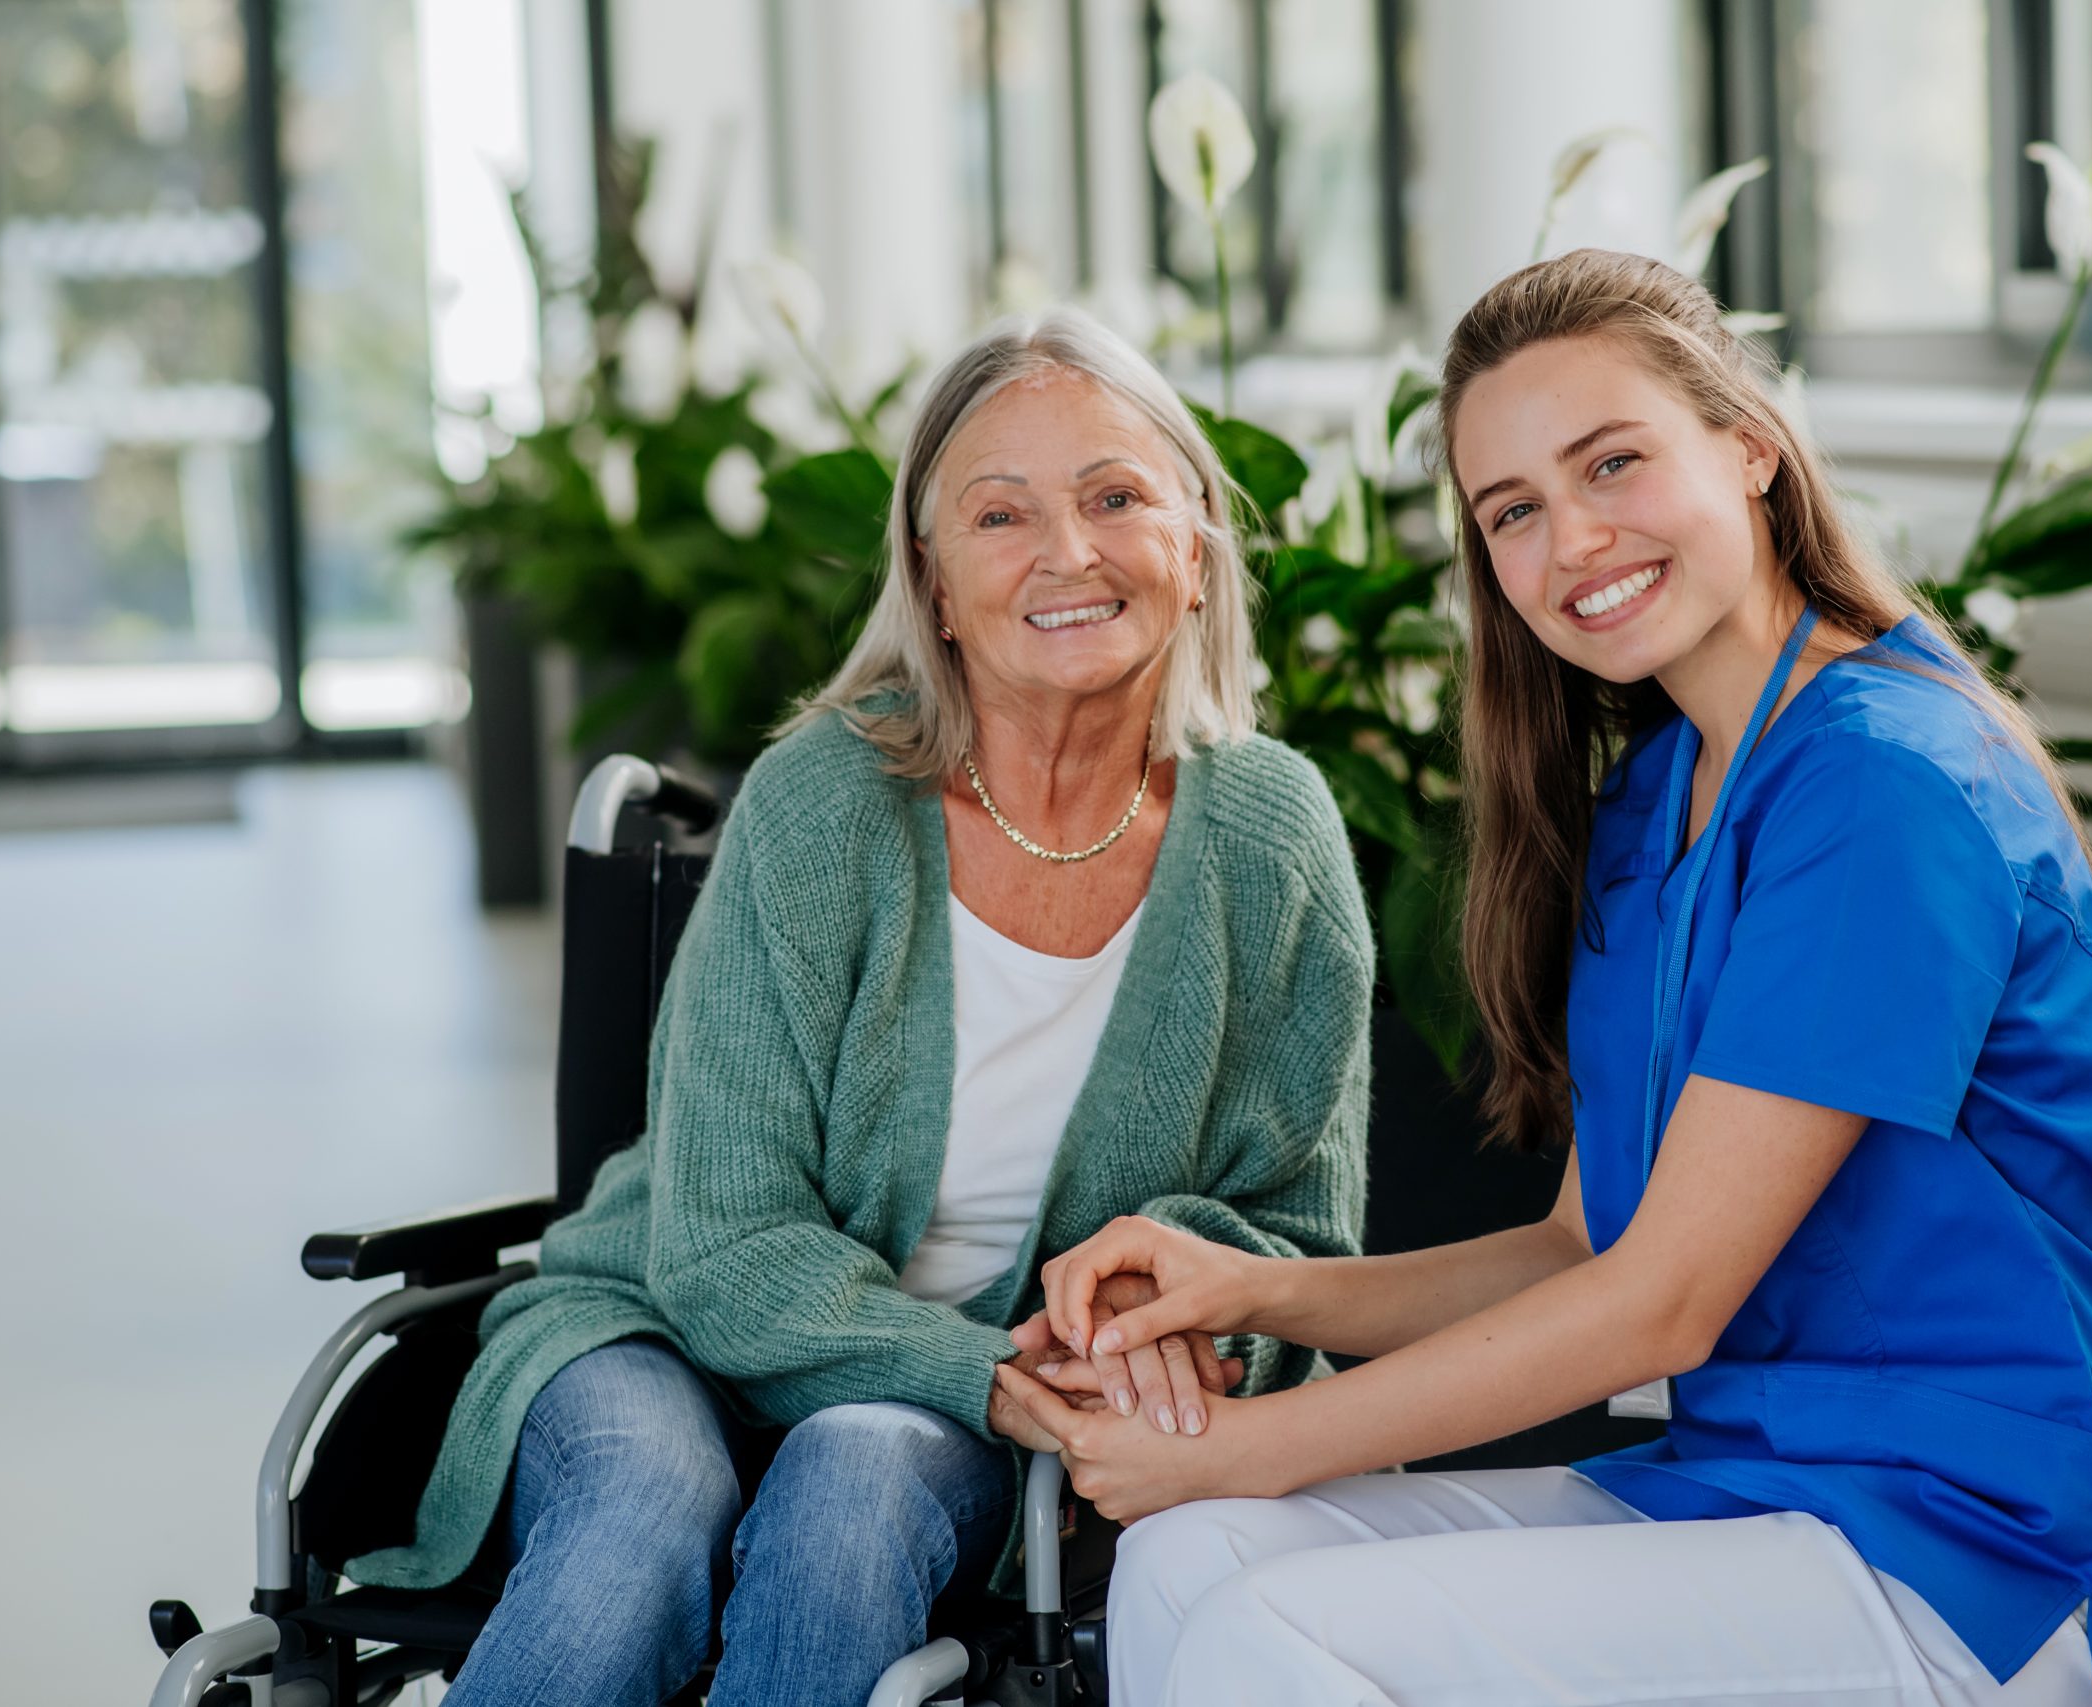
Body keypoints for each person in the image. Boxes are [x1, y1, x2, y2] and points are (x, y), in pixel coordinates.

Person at [994, 250, 2092, 1707]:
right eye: (1514, 510)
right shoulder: (1658, 797)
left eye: (1612, 463)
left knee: (1270, 1626)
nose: (1572, 541)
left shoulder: (1884, 787)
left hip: (1987, 1558)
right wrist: (1264, 1293)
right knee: (1199, 1561)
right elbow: (1582, 1249)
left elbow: (1662, 1307)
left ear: (1748, 446)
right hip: (1760, 1493)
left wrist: (1238, 1440)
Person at [341, 308, 1373, 1707]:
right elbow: (719, 1238)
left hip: (972, 1405)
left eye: (1116, 498)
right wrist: (989, 1370)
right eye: (1002, 514)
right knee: (638, 1519)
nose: (1069, 552)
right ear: (937, 588)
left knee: (854, 1484)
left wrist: (1179, 1315)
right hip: (663, 1330)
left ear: (1191, 551)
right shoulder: (824, 803)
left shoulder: (1270, 837)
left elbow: (1295, 1232)